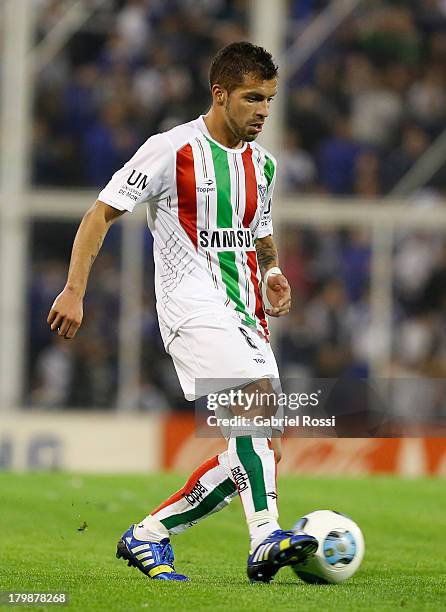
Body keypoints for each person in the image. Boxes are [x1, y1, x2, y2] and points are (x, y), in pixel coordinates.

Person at [47, 42, 317, 583]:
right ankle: (265, 537)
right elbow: (100, 215)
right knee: (253, 414)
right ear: (220, 95)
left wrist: (271, 272)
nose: (263, 110)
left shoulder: (263, 165)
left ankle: (148, 534)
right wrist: (75, 289)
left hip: (246, 315)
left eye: (269, 99)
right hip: (190, 305)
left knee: (261, 454)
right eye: (252, 98)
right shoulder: (171, 150)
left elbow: (258, 230)